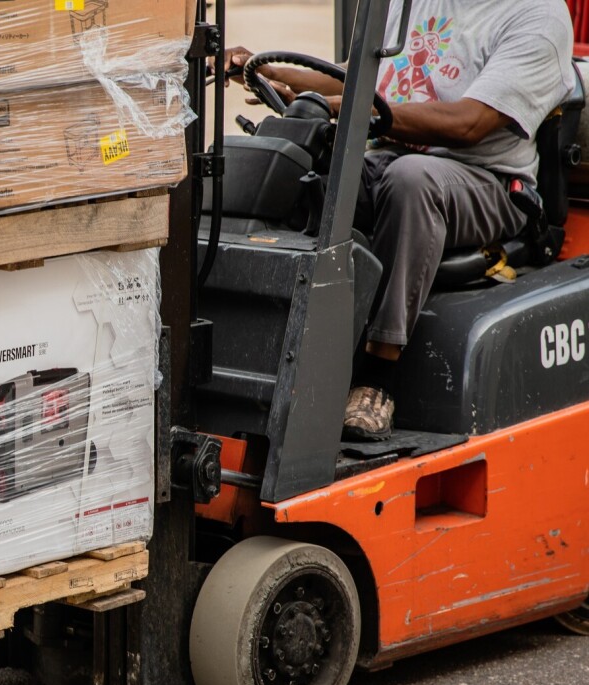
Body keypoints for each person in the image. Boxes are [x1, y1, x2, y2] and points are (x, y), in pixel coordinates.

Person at [226, 0, 575, 440]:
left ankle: (377, 378)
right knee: (303, 170)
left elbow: (470, 123)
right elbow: (360, 74)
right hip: (393, 156)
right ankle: (276, 352)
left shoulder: (536, 16)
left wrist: (353, 112)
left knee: (411, 182)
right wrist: (268, 71)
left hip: (487, 181)